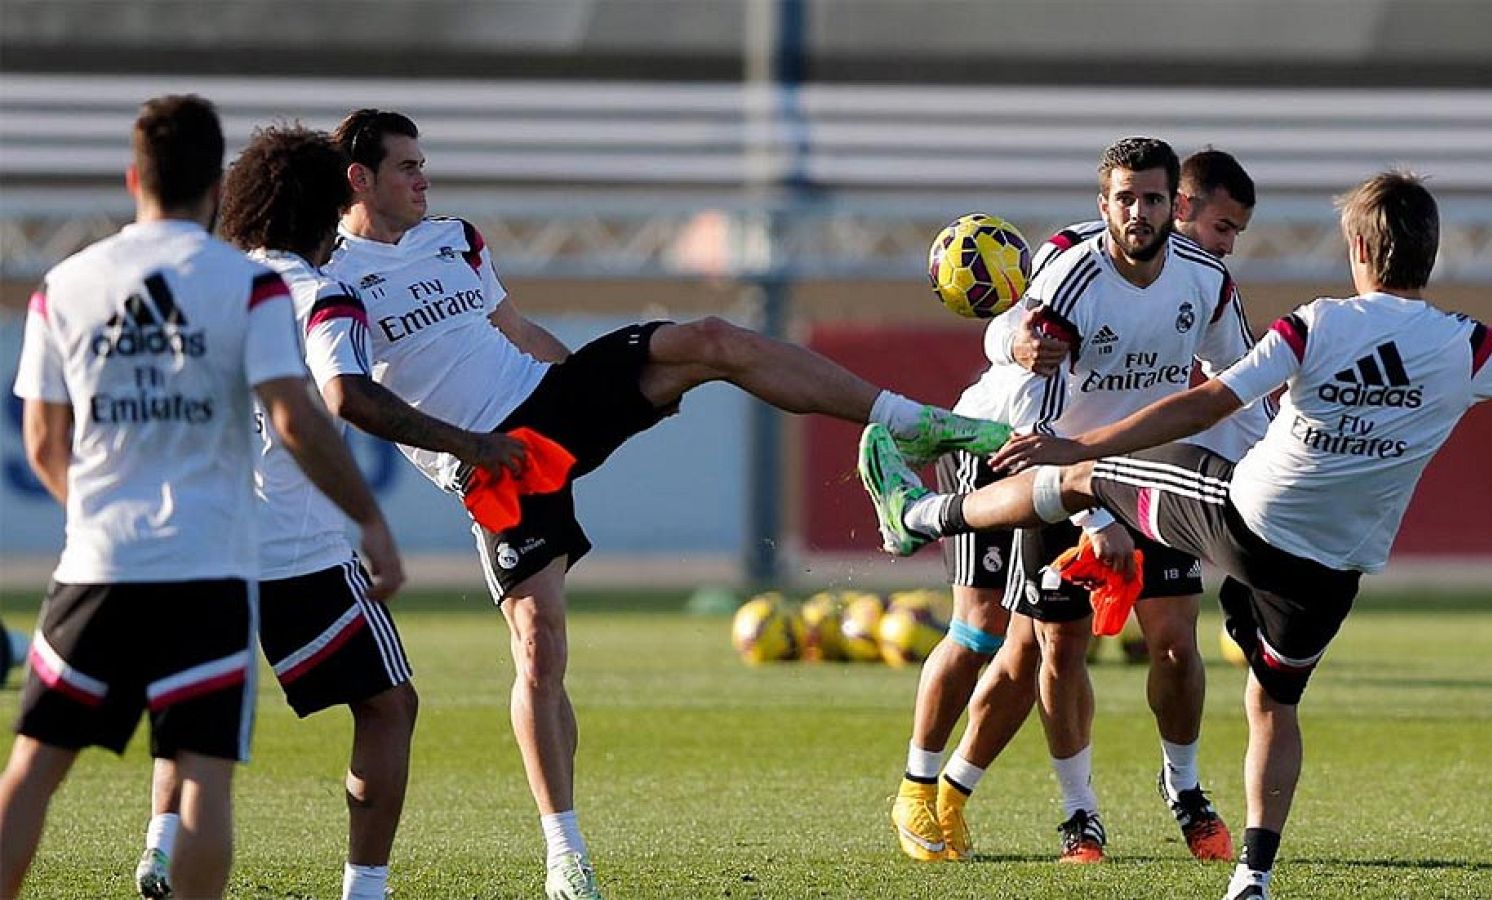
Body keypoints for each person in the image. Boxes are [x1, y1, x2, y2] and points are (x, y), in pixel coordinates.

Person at [321, 108, 1012, 900]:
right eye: (407, 166)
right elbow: (349, 394)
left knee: (710, 338)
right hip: (491, 465)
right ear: (360, 179)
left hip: (547, 398)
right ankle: (565, 855)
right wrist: (463, 450)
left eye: (423, 163)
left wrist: (607, 394)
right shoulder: (330, 276)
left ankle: (905, 421)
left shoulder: (457, 238)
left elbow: (514, 331)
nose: (423, 178)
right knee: (539, 648)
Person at [859, 171, 1492, 900]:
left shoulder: (1316, 322)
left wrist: (1084, 449)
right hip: (1334, 568)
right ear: (1432, 252)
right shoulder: (1468, 345)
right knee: (1262, 698)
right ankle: (1234, 870)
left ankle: (921, 517)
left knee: (1092, 491)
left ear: (1359, 250)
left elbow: (1209, 401)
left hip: (1240, 519)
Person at [0, 95, 403, 900]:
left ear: (133, 178)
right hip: (205, 565)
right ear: (213, 188)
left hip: (97, 562)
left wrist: (102, 521)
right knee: (206, 778)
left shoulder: (66, 283)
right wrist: (368, 519)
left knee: (34, 767)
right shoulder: (243, 287)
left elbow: (45, 444)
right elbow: (296, 416)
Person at [129, 125, 527, 900]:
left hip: (191, 534)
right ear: (328, 205)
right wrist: (467, 443)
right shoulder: (320, 294)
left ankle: (159, 844)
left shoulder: (203, 283)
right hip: (293, 548)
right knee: (388, 707)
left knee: (197, 695)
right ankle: (364, 889)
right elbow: (347, 393)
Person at [891, 141, 1268, 865]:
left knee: (1168, 639)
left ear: (1171, 204)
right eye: (1126, 199)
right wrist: (1095, 517)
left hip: (1133, 469)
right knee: (991, 634)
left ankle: (1178, 792)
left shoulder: (1207, 282)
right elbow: (1040, 419)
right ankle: (936, 787)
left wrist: (1267, 480)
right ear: (1107, 205)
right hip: (1007, 455)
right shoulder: (1072, 268)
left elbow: (1235, 384)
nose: (1140, 212)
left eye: (1151, 199)